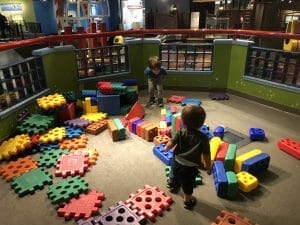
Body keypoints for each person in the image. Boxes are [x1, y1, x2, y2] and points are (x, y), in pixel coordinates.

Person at [164, 105, 211, 210]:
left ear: (183, 122)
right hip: (190, 168)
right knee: (187, 185)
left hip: (176, 161)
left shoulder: (181, 131)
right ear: (202, 123)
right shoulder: (203, 138)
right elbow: (206, 155)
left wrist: (167, 148)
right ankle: (187, 201)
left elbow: (171, 143)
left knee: (173, 173)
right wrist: (208, 166)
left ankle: (171, 184)